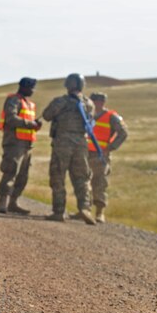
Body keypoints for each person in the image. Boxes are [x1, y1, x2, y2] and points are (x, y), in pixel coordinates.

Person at [41, 73, 96, 224]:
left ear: (67, 85)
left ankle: (59, 211)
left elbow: (46, 115)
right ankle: (85, 208)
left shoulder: (61, 101)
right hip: (81, 143)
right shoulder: (89, 103)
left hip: (62, 142)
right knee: (82, 177)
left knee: (58, 176)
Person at [0, 77, 42, 214]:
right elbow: (11, 118)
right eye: (31, 88)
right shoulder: (14, 100)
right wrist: (30, 124)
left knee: (23, 176)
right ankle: (2, 202)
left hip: (27, 144)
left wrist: (35, 125)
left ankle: (13, 203)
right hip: (14, 143)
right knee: (10, 172)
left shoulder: (29, 103)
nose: (33, 91)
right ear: (24, 87)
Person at [86, 92, 128, 223]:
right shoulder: (86, 115)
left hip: (100, 155)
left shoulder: (112, 117)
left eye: (99, 101)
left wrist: (110, 147)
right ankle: (84, 210)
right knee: (83, 183)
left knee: (99, 183)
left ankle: (99, 213)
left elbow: (123, 132)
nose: (96, 103)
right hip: (84, 153)